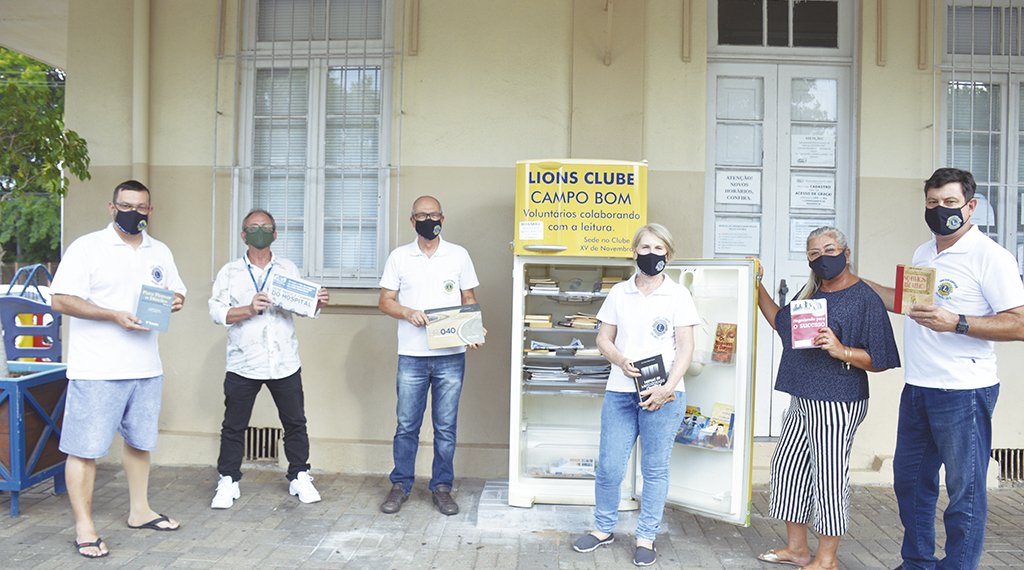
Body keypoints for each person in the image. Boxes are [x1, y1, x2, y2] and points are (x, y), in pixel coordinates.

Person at [865, 168, 1024, 570]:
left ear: (970, 207)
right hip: (918, 387)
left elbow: (1020, 322)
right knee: (909, 482)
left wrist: (958, 322)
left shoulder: (991, 257)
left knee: (964, 490)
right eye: (932, 203)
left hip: (964, 392)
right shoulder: (924, 253)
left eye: (950, 203)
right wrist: (854, 281)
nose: (940, 210)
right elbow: (908, 303)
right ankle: (917, 562)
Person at [50, 180, 187, 559]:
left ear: (150, 210)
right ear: (112, 207)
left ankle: (140, 512)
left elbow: (178, 292)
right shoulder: (88, 247)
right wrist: (112, 315)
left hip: (145, 366)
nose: (134, 212)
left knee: (139, 442)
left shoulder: (159, 251)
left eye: (141, 207)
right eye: (126, 205)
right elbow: (61, 299)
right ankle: (84, 527)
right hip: (97, 368)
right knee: (84, 449)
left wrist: (173, 300)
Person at [753, 226, 900, 570]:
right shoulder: (811, 294)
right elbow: (780, 322)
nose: (823, 258)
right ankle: (797, 549)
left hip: (837, 400)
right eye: (814, 253)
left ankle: (827, 558)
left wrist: (842, 350)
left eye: (829, 249)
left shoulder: (864, 298)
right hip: (803, 396)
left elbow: (881, 359)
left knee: (828, 476)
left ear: (846, 254)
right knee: (787, 468)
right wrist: (755, 283)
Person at [571, 223, 699, 567]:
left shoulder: (678, 295)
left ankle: (646, 536)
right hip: (621, 393)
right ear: (635, 252)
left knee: (655, 469)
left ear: (668, 255)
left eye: (659, 249)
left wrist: (666, 389)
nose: (652, 254)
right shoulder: (619, 293)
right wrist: (620, 360)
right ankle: (603, 528)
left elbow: (686, 347)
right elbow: (603, 339)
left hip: (665, 395)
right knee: (610, 466)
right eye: (645, 248)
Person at [207, 209, 330, 509]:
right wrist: (248, 309)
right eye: (253, 227)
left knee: (295, 422)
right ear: (243, 235)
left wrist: (317, 301)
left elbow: (302, 307)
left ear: (275, 234)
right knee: (234, 425)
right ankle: (228, 480)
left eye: (266, 227)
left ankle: (299, 475)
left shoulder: (288, 268)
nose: (259, 231)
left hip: (284, 361)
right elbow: (217, 312)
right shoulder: (230, 272)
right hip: (244, 362)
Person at [377, 195, 481, 516]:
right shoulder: (399, 257)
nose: (428, 219)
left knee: (445, 426)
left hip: (450, 354)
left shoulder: (459, 255)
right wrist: (407, 312)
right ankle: (400, 485)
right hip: (411, 355)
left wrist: (473, 329)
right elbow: (385, 301)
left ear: (442, 218)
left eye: (433, 214)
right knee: (407, 424)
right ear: (412, 221)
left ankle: (442, 487)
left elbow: (468, 297)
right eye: (422, 215)